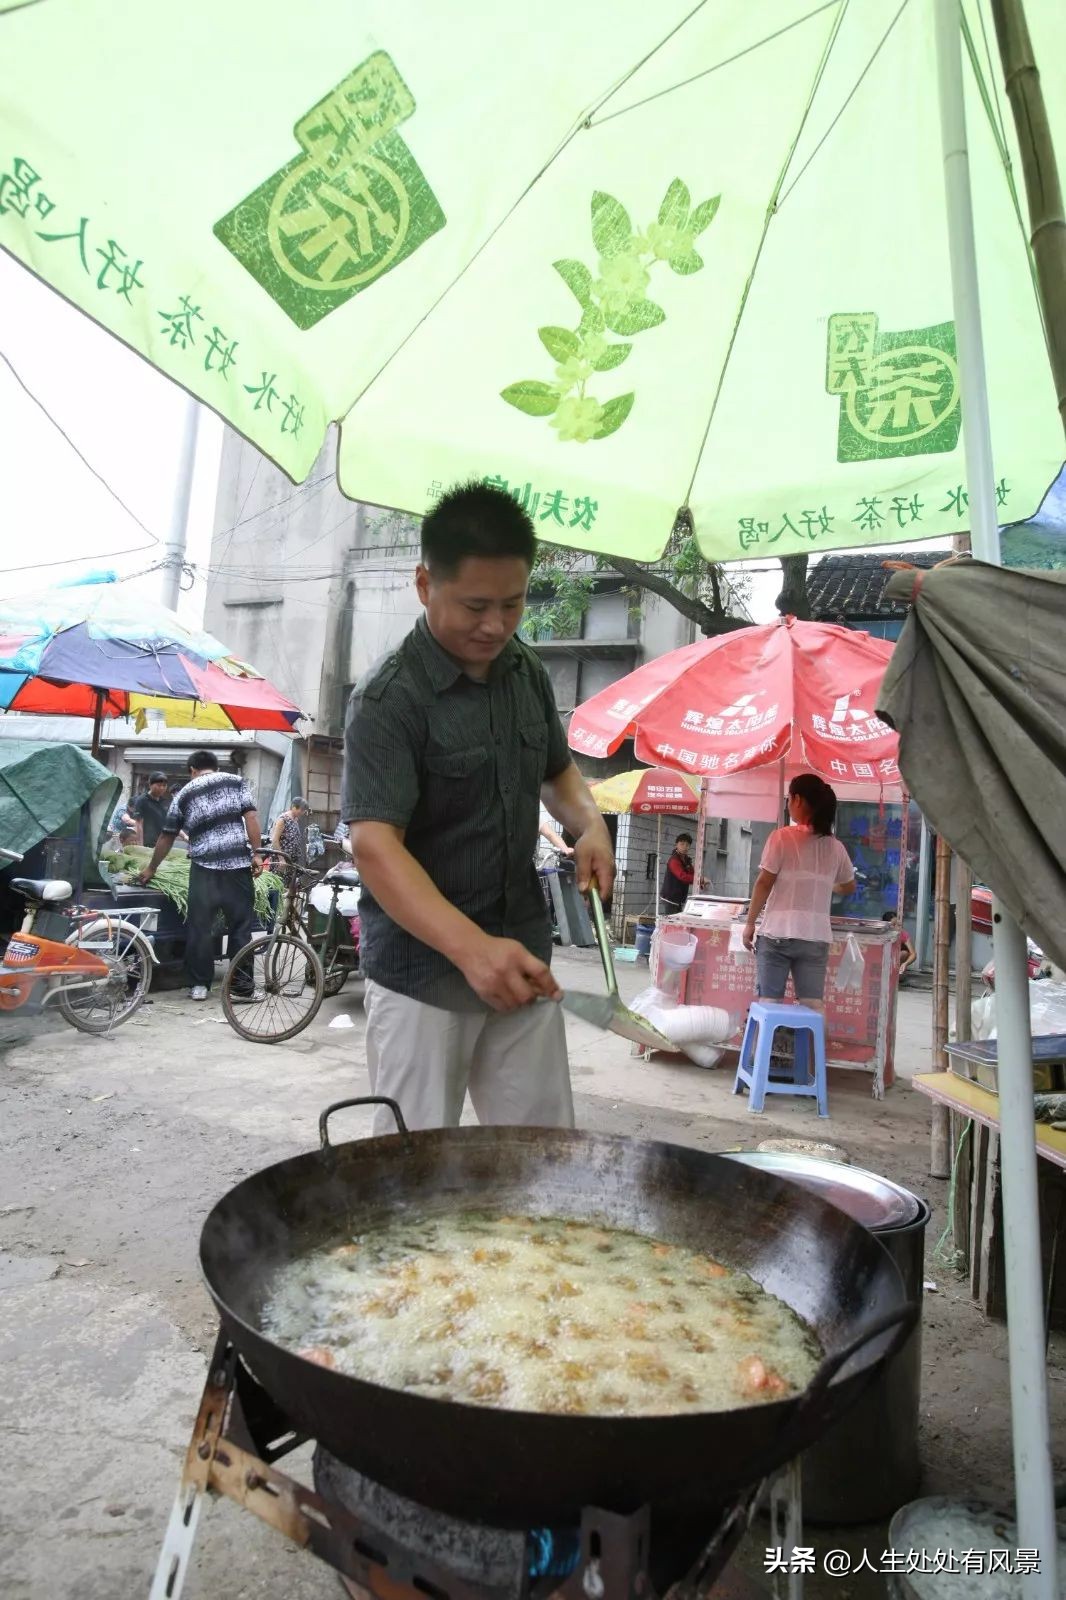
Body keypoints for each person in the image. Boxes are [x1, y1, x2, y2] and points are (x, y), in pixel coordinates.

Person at [342, 479, 615, 1134]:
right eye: (474, 606)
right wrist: (471, 950)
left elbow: (556, 769)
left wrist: (592, 822)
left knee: (541, 1158)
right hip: (422, 978)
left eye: (513, 604)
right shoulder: (388, 699)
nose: (495, 625)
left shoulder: (522, 670)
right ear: (424, 584)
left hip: (520, 955)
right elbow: (374, 846)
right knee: (414, 1175)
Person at [137, 750, 263, 1002]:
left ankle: (199, 986)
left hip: (204, 870)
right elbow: (251, 817)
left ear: (192, 769)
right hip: (237, 867)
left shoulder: (184, 793)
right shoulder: (237, 782)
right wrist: (257, 854)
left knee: (200, 929)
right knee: (240, 929)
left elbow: (167, 835)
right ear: (215, 767)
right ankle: (242, 988)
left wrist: (151, 868)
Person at [742, 774, 856, 1010]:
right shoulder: (836, 847)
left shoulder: (781, 837)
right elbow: (849, 886)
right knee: (813, 1005)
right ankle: (814, 1047)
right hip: (815, 938)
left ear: (798, 800)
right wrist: (826, 884)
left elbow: (764, 883)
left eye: (789, 798)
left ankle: (765, 1047)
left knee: (769, 1002)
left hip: (777, 934)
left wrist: (750, 924)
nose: (787, 803)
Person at [128, 772, 171, 848]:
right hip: (147, 844)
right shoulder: (142, 800)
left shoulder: (165, 802)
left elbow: (169, 823)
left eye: (164, 786)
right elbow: (139, 825)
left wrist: (184, 836)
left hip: (161, 844)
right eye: (159, 785)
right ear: (150, 785)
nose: (162, 788)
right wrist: (141, 846)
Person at [660, 832, 695, 915]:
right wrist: (699, 879)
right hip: (671, 898)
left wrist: (701, 881)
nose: (685, 847)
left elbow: (692, 874)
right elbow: (682, 876)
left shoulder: (687, 860)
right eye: (682, 844)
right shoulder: (674, 860)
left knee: (678, 923)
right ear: (676, 845)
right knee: (672, 924)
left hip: (680, 898)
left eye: (687, 845)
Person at [271, 796, 309, 868]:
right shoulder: (283, 820)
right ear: (294, 807)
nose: (302, 813)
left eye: (304, 811)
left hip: (291, 861)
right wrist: (281, 859)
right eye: (301, 810)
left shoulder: (295, 820)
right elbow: (275, 840)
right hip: (281, 861)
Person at [884, 910, 917, 981]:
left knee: (904, 953)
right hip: (884, 963)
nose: (897, 928)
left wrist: (905, 964)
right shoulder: (883, 934)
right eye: (893, 925)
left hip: (897, 962)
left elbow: (913, 954)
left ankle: (897, 972)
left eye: (898, 925)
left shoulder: (903, 934)